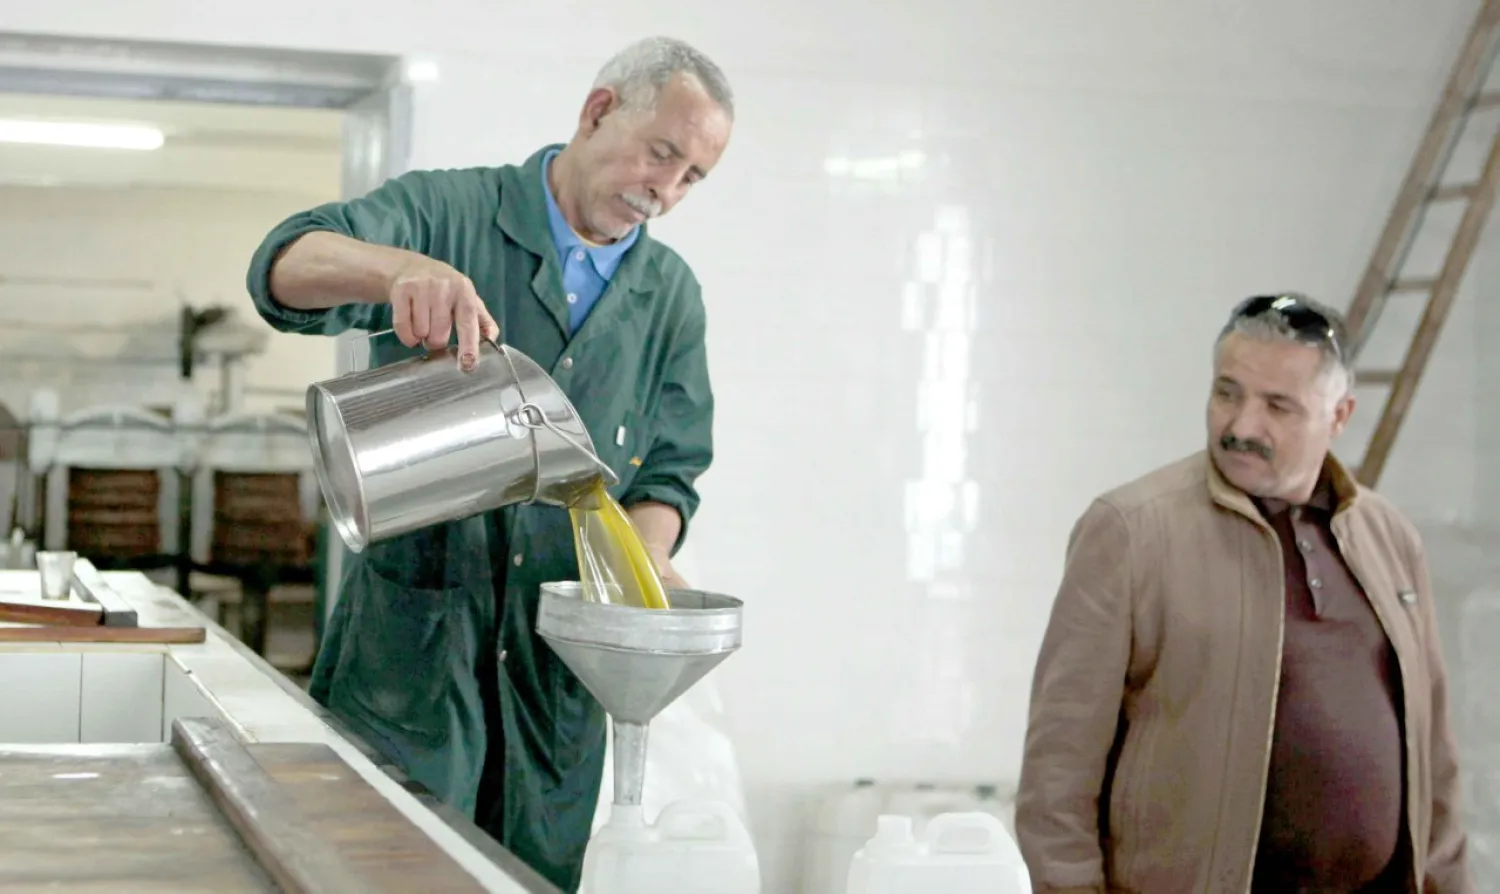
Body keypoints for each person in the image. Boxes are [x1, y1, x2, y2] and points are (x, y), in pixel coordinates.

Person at [243, 36, 733, 892]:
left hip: (554, 681)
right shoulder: (451, 212)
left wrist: (648, 557)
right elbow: (283, 266)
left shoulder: (672, 295)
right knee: (377, 869)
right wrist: (397, 268)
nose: (668, 191)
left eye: (694, 178)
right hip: (412, 657)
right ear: (598, 110)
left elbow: (670, 467)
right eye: (662, 153)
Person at [1014, 294, 1471, 894]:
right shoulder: (1131, 530)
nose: (1240, 426)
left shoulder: (1390, 538)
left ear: (1339, 416)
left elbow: (1433, 759)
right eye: (1227, 392)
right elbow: (1058, 777)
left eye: (1277, 405)